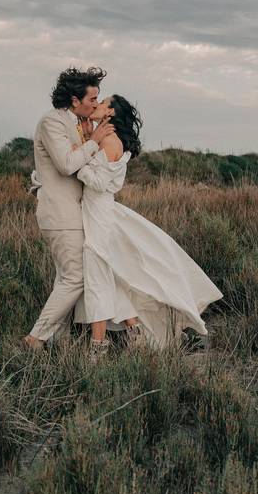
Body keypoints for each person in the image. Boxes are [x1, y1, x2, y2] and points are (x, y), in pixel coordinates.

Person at [70, 95, 224, 362]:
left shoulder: (108, 140)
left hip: (100, 216)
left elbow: (97, 182)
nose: (96, 105)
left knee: (98, 278)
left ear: (111, 115)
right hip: (97, 212)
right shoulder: (103, 136)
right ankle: (133, 328)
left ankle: (99, 345)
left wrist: (76, 165)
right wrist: (87, 139)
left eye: (103, 103)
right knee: (109, 277)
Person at [21, 67, 117, 351]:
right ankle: (35, 338)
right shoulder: (51, 122)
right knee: (75, 278)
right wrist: (94, 142)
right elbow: (65, 164)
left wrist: (89, 139)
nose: (96, 104)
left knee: (65, 278)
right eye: (92, 98)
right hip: (60, 214)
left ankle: (57, 341)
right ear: (75, 100)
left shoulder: (76, 123)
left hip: (73, 213)